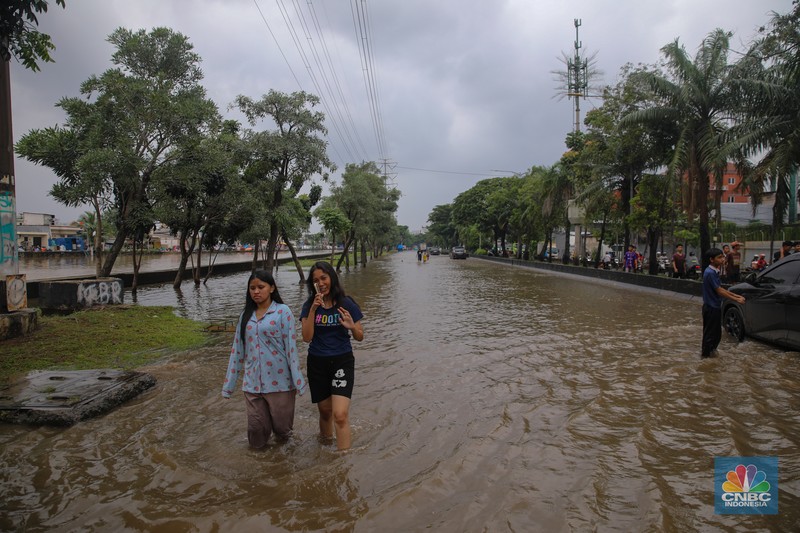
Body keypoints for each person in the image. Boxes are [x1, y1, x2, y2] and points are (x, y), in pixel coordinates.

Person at [221, 270, 306, 448]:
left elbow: (291, 349)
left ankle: (283, 462)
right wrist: (229, 386)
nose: (256, 291)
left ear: (272, 288)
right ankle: (258, 463)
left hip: (280, 383)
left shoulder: (283, 312)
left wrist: (298, 382)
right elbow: (237, 351)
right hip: (252, 384)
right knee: (256, 431)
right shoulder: (245, 316)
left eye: (261, 287)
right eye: (252, 288)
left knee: (283, 432)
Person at [300, 261, 364, 450]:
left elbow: (360, 336)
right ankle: (326, 450)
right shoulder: (308, 306)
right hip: (317, 363)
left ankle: (343, 460)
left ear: (332, 278)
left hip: (342, 361)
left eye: (324, 278)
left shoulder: (346, 303)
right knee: (326, 412)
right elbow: (306, 337)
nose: (320, 283)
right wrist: (313, 309)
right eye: (316, 280)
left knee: (340, 415)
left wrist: (352, 327)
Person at [701, 248, 746, 358]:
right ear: (711, 259)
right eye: (719, 257)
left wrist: (736, 296)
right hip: (711, 307)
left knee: (716, 334)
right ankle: (705, 357)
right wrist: (736, 299)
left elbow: (720, 289)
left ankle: (711, 355)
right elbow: (719, 291)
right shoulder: (710, 273)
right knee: (710, 335)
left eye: (723, 257)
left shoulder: (714, 271)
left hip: (714, 306)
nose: (722, 259)